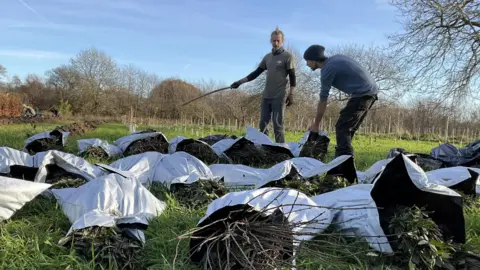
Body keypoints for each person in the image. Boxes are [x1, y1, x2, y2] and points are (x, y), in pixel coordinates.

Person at [303, 44, 378, 159]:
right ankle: (344, 158)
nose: (307, 64)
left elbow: (323, 101)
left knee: (342, 127)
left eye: (307, 61)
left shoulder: (327, 70)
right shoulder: (336, 58)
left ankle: (343, 165)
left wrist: (316, 124)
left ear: (314, 60)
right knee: (348, 129)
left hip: (363, 94)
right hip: (371, 92)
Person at [230, 26, 296, 143]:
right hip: (266, 96)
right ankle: (265, 149)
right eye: (273, 40)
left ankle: (281, 151)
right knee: (263, 125)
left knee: (278, 125)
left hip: (279, 96)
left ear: (282, 41)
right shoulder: (267, 58)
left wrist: (291, 94)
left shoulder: (288, 57)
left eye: (278, 40)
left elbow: (292, 76)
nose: (275, 43)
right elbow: (255, 73)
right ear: (270, 41)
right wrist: (239, 82)